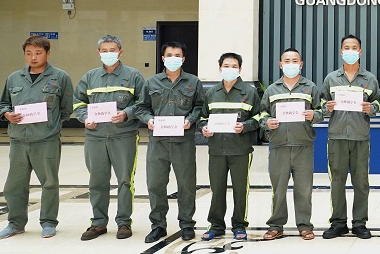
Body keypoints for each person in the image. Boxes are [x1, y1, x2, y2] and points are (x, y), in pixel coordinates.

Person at [0, 36, 74, 240]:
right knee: (14, 185)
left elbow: (66, 109)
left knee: (49, 183)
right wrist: (7, 114)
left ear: (47, 53)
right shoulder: (14, 78)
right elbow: (2, 104)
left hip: (46, 140)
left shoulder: (60, 77)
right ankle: (15, 223)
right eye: (29, 53)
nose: (33, 57)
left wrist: (50, 125)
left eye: (38, 53)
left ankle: (48, 222)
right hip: (18, 140)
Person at [74, 35, 146, 241]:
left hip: (123, 136)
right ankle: (98, 223)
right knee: (97, 181)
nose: (108, 54)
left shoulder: (133, 76)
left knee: (125, 180)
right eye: (104, 51)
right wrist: (84, 118)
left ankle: (124, 222)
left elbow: (143, 103)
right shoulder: (89, 77)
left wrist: (126, 113)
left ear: (120, 52)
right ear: (98, 53)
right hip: (95, 137)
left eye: (112, 50)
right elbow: (78, 102)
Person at [135, 41, 206, 243]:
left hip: (183, 142)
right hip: (158, 142)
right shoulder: (152, 82)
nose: (173, 59)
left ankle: (187, 224)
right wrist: (148, 119)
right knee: (155, 185)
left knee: (186, 185)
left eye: (177, 55)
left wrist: (190, 120)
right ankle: (158, 225)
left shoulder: (193, 82)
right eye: (169, 55)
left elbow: (200, 106)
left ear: (183, 59)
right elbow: (141, 107)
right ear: (163, 58)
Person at [319, 34, 380, 239]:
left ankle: (359, 223)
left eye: (354, 47)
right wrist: (326, 107)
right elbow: (321, 103)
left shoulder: (369, 79)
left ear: (360, 51)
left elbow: (378, 103)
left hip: (360, 137)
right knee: (337, 181)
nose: (350, 51)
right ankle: (338, 223)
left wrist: (371, 108)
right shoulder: (331, 78)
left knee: (361, 182)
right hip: (336, 137)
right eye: (347, 47)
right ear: (341, 52)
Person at [260, 48, 324, 241]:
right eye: (287, 61)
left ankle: (304, 225)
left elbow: (321, 110)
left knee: (304, 189)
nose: (291, 64)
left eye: (294, 60)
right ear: (281, 64)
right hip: (279, 146)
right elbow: (262, 113)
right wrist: (267, 122)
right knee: (278, 189)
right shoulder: (272, 90)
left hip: (303, 145)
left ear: (301, 64)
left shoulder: (310, 87)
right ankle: (276, 225)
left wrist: (314, 115)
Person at [199, 52, 262, 241]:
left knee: (240, 190)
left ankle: (239, 225)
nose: (230, 69)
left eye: (234, 66)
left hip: (240, 150)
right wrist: (204, 128)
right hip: (217, 150)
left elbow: (259, 117)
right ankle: (216, 225)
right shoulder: (211, 93)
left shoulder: (249, 92)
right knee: (217, 189)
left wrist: (245, 126)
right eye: (226, 66)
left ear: (240, 69)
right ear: (220, 68)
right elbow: (202, 117)